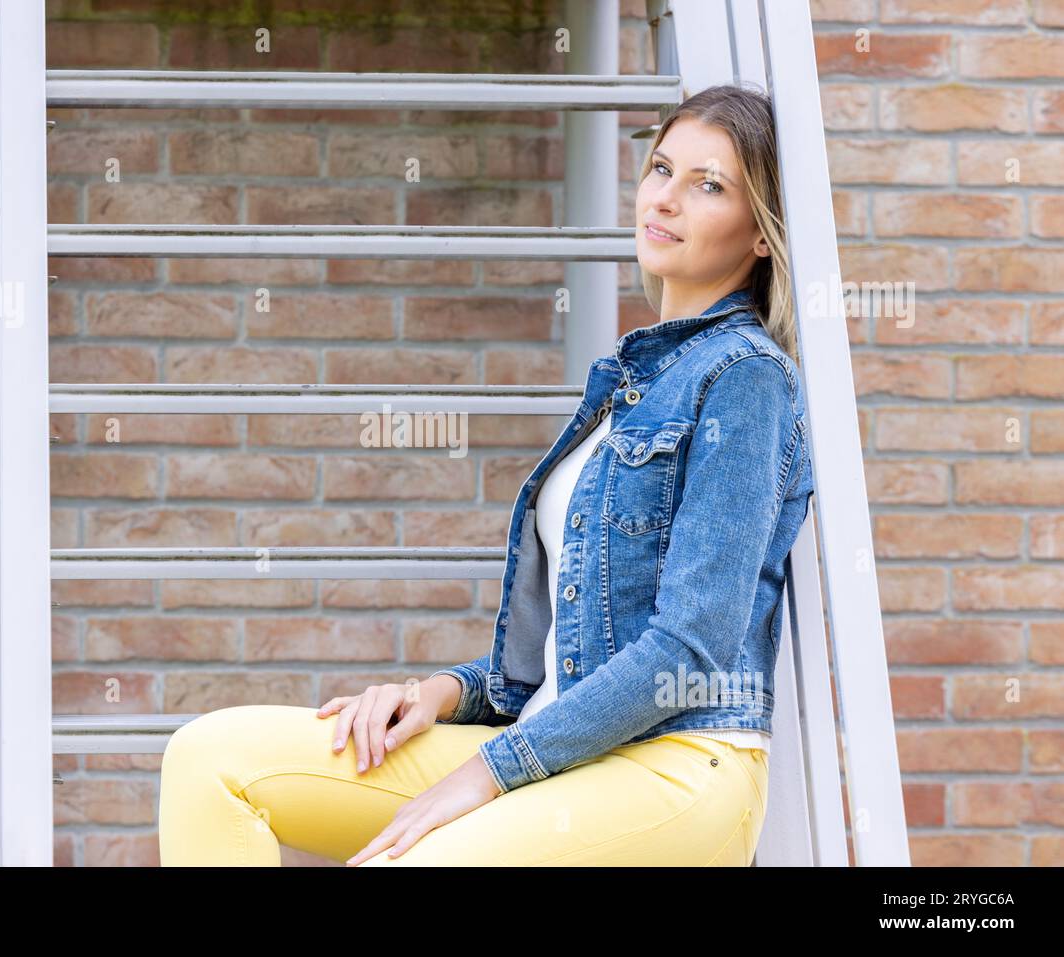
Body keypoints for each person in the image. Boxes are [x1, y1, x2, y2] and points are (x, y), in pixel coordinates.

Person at [158, 83, 813, 866]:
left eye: (708, 185)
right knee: (208, 760)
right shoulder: (628, 379)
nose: (665, 199)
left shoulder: (745, 378)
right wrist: (440, 692)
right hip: (555, 746)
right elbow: (569, 660)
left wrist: (487, 771)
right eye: (661, 169)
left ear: (762, 233)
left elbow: (688, 644)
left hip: (674, 764)